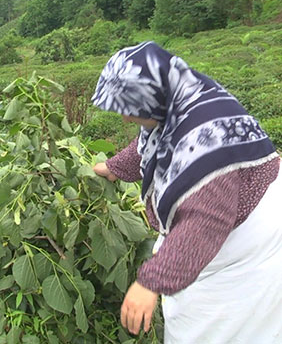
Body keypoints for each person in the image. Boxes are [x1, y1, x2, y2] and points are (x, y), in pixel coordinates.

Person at [90, 41, 282, 343]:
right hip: (227, 212)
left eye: (130, 109)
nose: (126, 118)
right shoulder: (177, 99)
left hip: (246, 234)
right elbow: (155, 141)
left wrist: (150, 283)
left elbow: (203, 225)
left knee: (215, 322)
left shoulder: (207, 141)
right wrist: (114, 168)